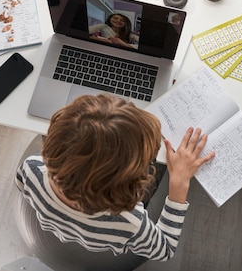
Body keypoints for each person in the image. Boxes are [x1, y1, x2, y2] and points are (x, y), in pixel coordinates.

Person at [15, 94, 214, 263]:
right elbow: (165, 249)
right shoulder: (130, 222)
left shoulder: (32, 168)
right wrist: (178, 183)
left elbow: (20, 184)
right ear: (127, 188)